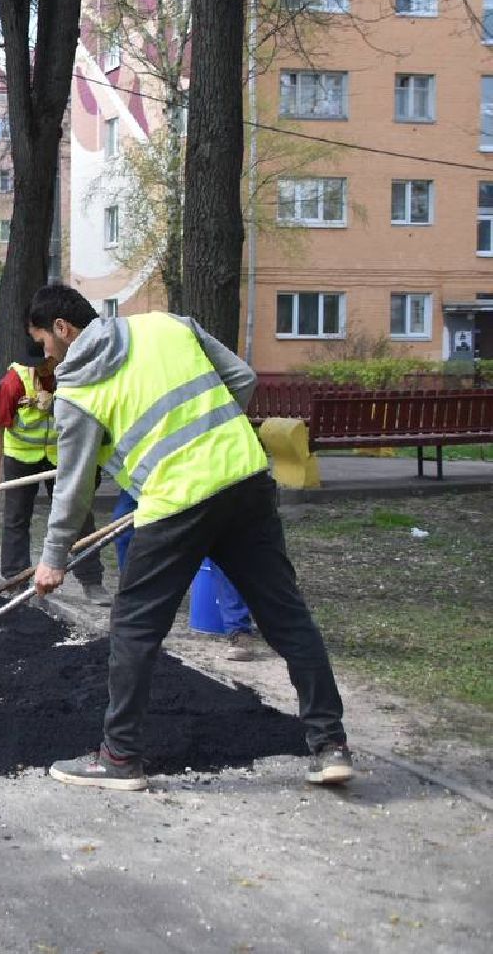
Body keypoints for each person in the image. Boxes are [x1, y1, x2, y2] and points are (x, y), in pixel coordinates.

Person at [26, 284, 352, 790]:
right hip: (244, 478)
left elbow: (72, 487)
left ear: (63, 330)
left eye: (44, 342)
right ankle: (330, 745)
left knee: (135, 628)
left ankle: (118, 759)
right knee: (286, 616)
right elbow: (241, 378)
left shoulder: (76, 394)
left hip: (174, 503)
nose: (46, 354)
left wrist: (53, 559)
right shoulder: (166, 324)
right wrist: (213, 436)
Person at [0, 342, 110, 605]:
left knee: (79, 517)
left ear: (55, 358)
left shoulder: (71, 375)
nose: (37, 368)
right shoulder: (13, 382)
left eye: (43, 363)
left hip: (61, 458)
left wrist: (56, 404)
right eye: (33, 364)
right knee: (16, 519)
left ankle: (92, 582)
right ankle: (16, 582)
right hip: (21, 457)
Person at [110, 489, 262, 661]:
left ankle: (239, 630)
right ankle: (133, 613)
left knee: (222, 540)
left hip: (203, 477)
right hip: (150, 479)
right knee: (123, 528)